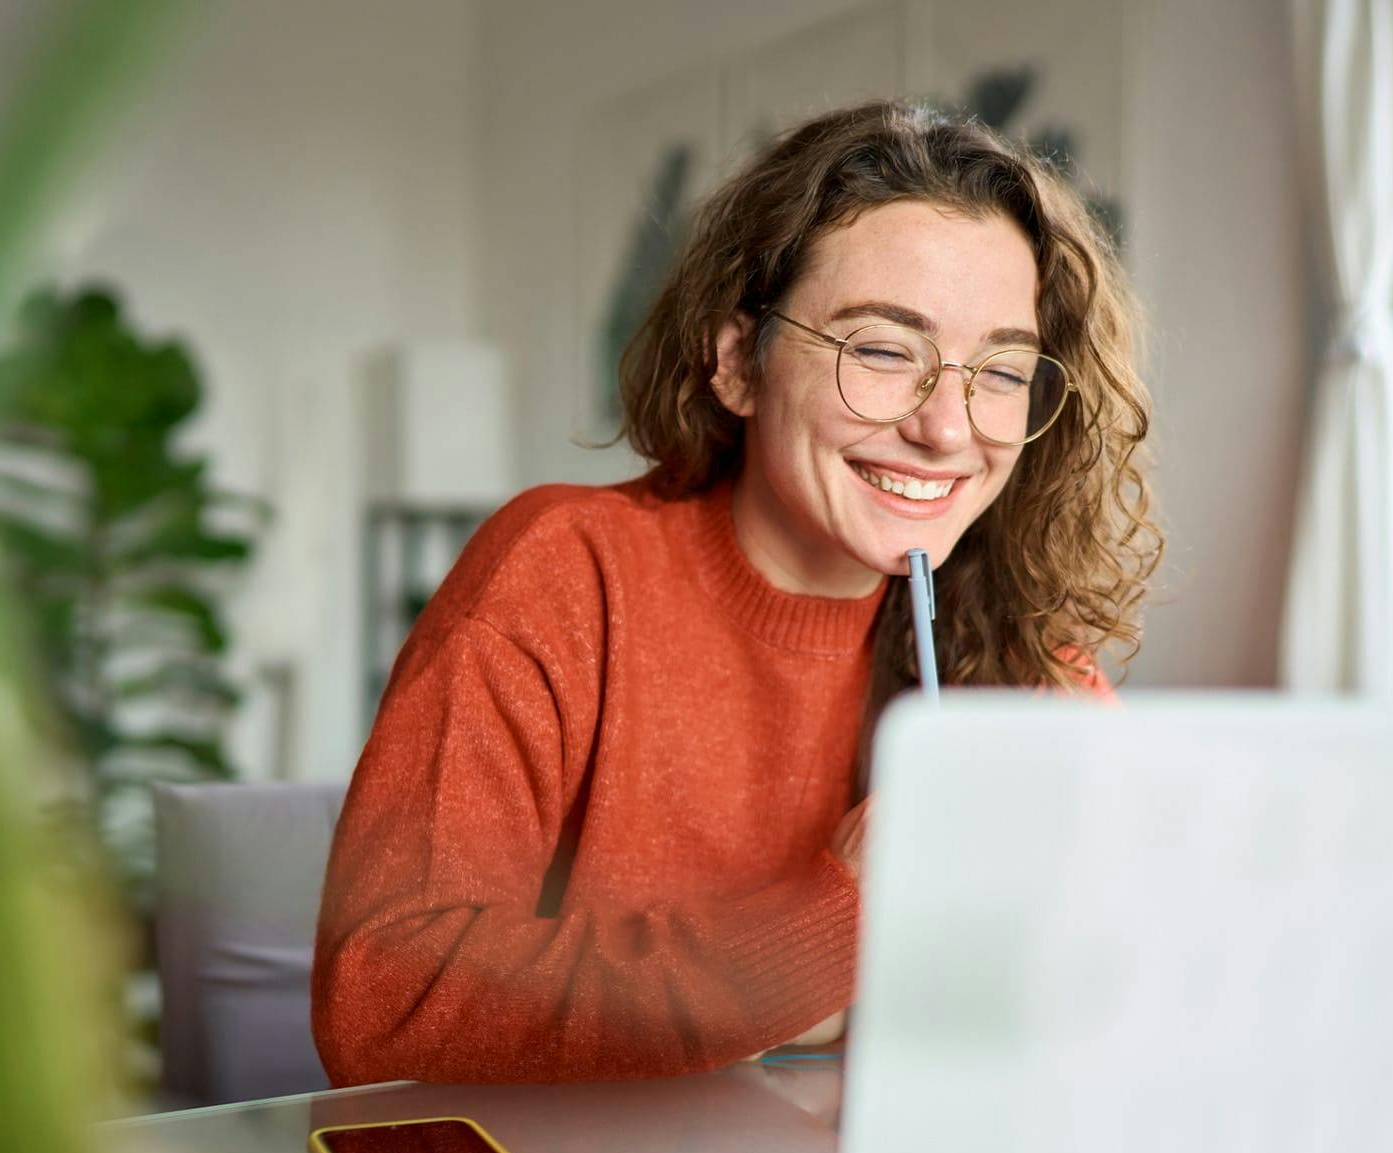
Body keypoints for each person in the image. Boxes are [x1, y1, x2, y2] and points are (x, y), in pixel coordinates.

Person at [312, 99, 1160, 1085]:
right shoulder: (563, 573)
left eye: (1001, 371)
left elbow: (1115, 986)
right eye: (883, 350)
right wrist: (836, 920)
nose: (947, 427)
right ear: (735, 362)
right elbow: (384, 1000)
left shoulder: (1017, 648)